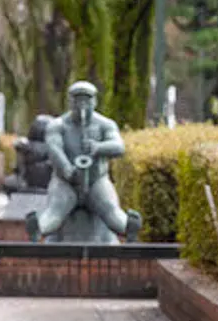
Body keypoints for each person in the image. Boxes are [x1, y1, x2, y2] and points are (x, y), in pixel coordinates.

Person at [29, 80, 139, 243]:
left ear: (94, 101)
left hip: (96, 181)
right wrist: (68, 170)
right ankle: (38, 227)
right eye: (77, 100)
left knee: (110, 210)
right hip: (66, 183)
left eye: (87, 100)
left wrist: (99, 147)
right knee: (55, 211)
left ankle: (128, 227)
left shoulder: (105, 124)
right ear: (70, 101)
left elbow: (119, 146)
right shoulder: (58, 125)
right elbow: (54, 149)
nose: (82, 104)